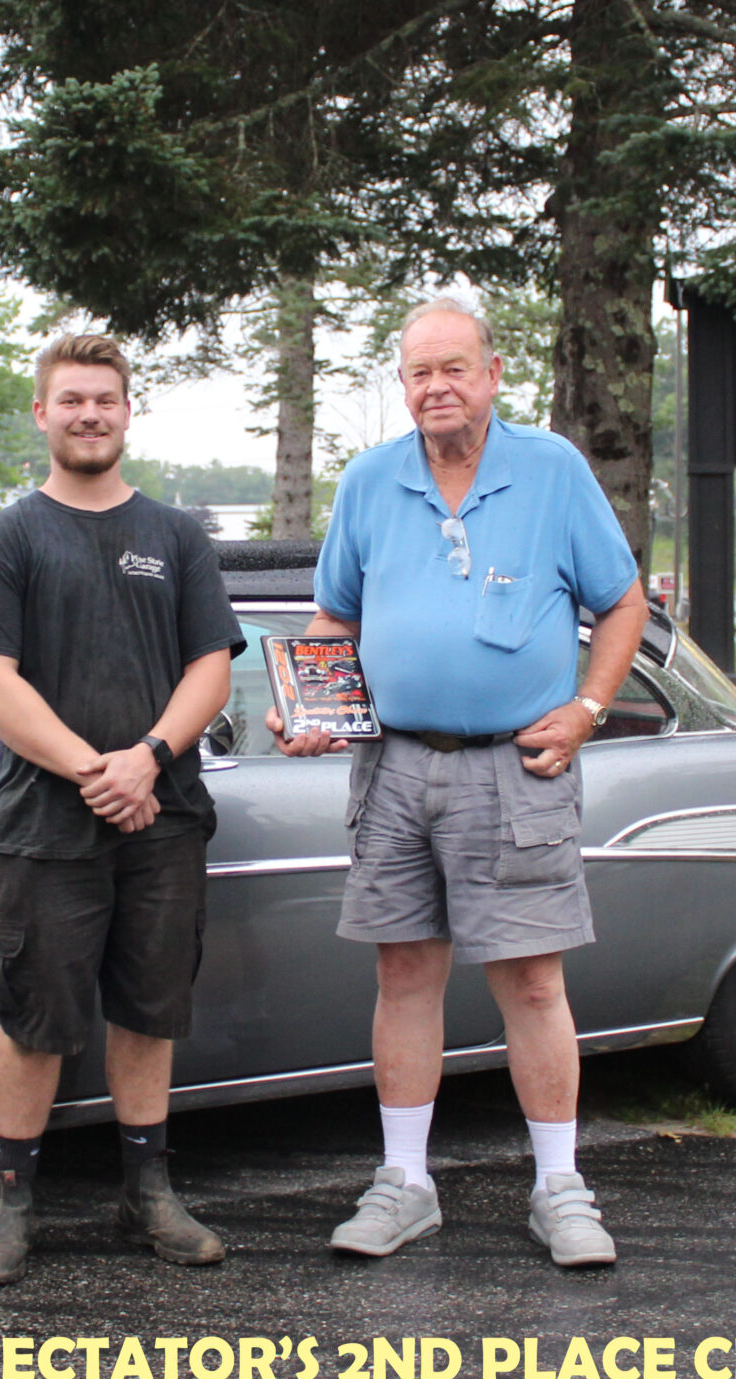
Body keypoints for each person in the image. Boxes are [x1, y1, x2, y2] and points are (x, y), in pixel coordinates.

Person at [269, 297, 647, 1268]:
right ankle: (404, 1183)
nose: (435, 387)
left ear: (491, 374)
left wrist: (588, 707)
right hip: (392, 766)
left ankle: (560, 1189)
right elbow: (335, 619)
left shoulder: (551, 471)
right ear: (402, 385)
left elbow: (621, 602)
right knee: (403, 974)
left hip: (514, 768)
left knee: (531, 980)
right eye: (417, 372)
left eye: (452, 368)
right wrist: (309, 707)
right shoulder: (370, 480)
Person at [0, 332, 243, 1286]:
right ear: (42, 413)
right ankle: (11, 1202)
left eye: (104, 400)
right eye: (71, 400)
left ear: (127, 412)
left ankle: (146, 1194)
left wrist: (149, 760)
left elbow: (210, 670)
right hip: (42, 828)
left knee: (150, 1012)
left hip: (166, 818)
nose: (89, 415)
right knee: (34, 1017)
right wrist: (97, 772)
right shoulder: (7, 539)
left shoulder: (176, 536)